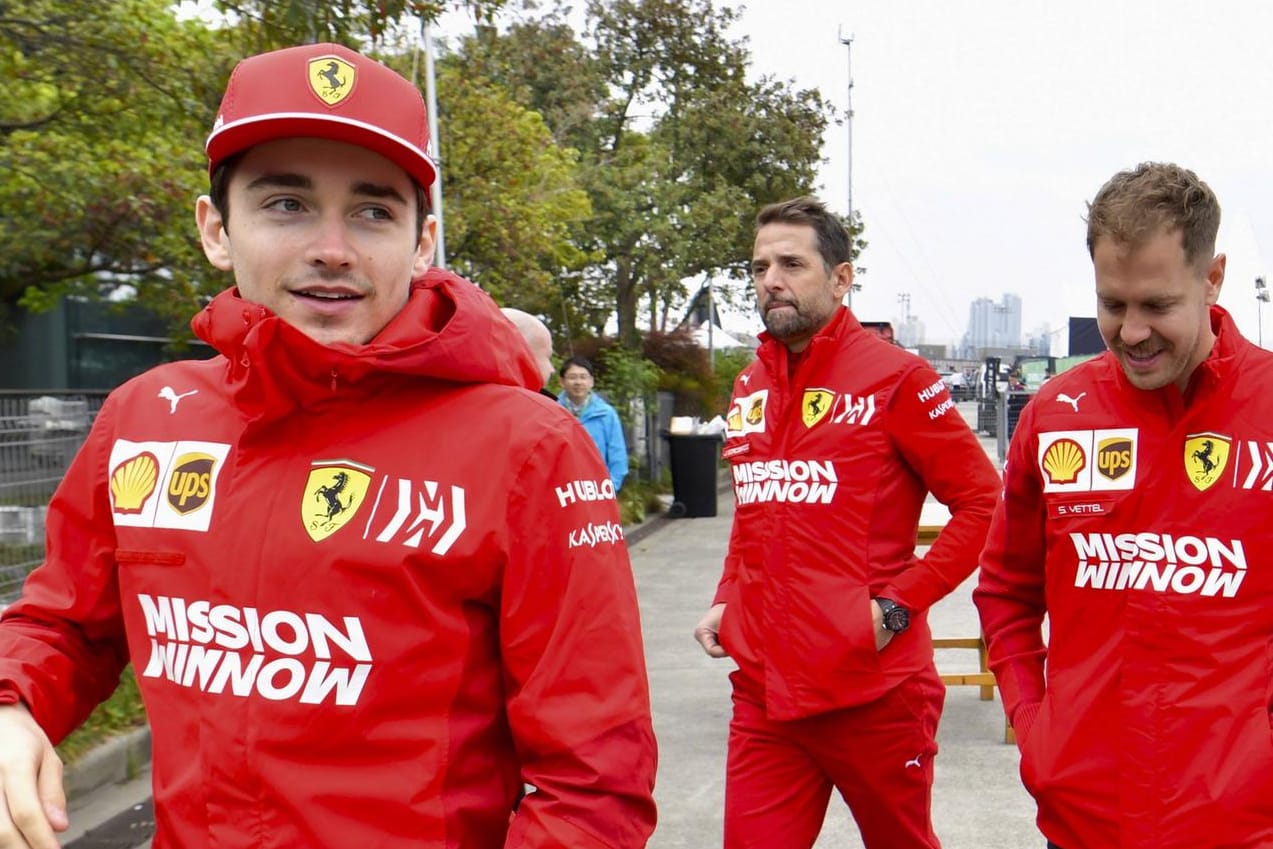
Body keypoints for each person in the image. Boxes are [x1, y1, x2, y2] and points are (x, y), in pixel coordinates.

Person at [0, 43, 657, 849]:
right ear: (215, 228)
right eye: (286, 204)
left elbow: (594, 784)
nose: (333, 248)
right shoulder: (147, 414)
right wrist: (14, 704)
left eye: (374, 210)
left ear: (423, 243)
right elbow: (66, 623)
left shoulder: (529, 447)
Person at [974, 162, 1273, 849]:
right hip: (1082, 815)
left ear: (1212, 276)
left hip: (1237, 824)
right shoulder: (1054, 414)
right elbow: (1006, 593)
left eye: (1156, 305)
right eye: (1112, 304)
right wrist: (1034, 725)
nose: (1131, 330)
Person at [693, 196, 1001, 849]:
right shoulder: (750, 383)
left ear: (839, 277)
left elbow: (982, 503)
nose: (769, 279)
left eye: (790, 263)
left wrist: (898, 606)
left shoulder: (897, 378)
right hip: (764, 692)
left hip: (875, 694)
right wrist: (726, 596)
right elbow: (755, 508)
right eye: (758, 266)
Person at [557, 356, 628, 490]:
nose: (578, 382)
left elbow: (618, 458)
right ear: (562, 381)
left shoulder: (606, 414)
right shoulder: (551, 412)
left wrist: (609, 489)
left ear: (591, 382)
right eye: (572, 377)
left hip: (598, 490)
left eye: (583, 377)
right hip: (563, 491)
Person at [501, 307, 557, 398]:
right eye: (548, 357)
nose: (552, 370)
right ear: (523, 356)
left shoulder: (471, 398)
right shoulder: (541, 410)